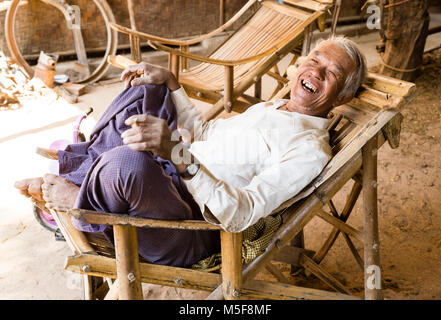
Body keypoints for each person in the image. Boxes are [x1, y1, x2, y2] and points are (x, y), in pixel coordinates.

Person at [14, 36, 367, 267]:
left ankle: (82, 203)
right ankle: (87, 178)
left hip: (190, 227)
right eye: (315, 59)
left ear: (343, 97)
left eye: (331, 73)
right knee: (145, 93)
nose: (315, 72)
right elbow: (207, 135)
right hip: (169, 181)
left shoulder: (309, 150)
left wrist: (176, 153)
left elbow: (239, 214)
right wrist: (171, 83)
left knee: (127, 164)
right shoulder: (276, 108)